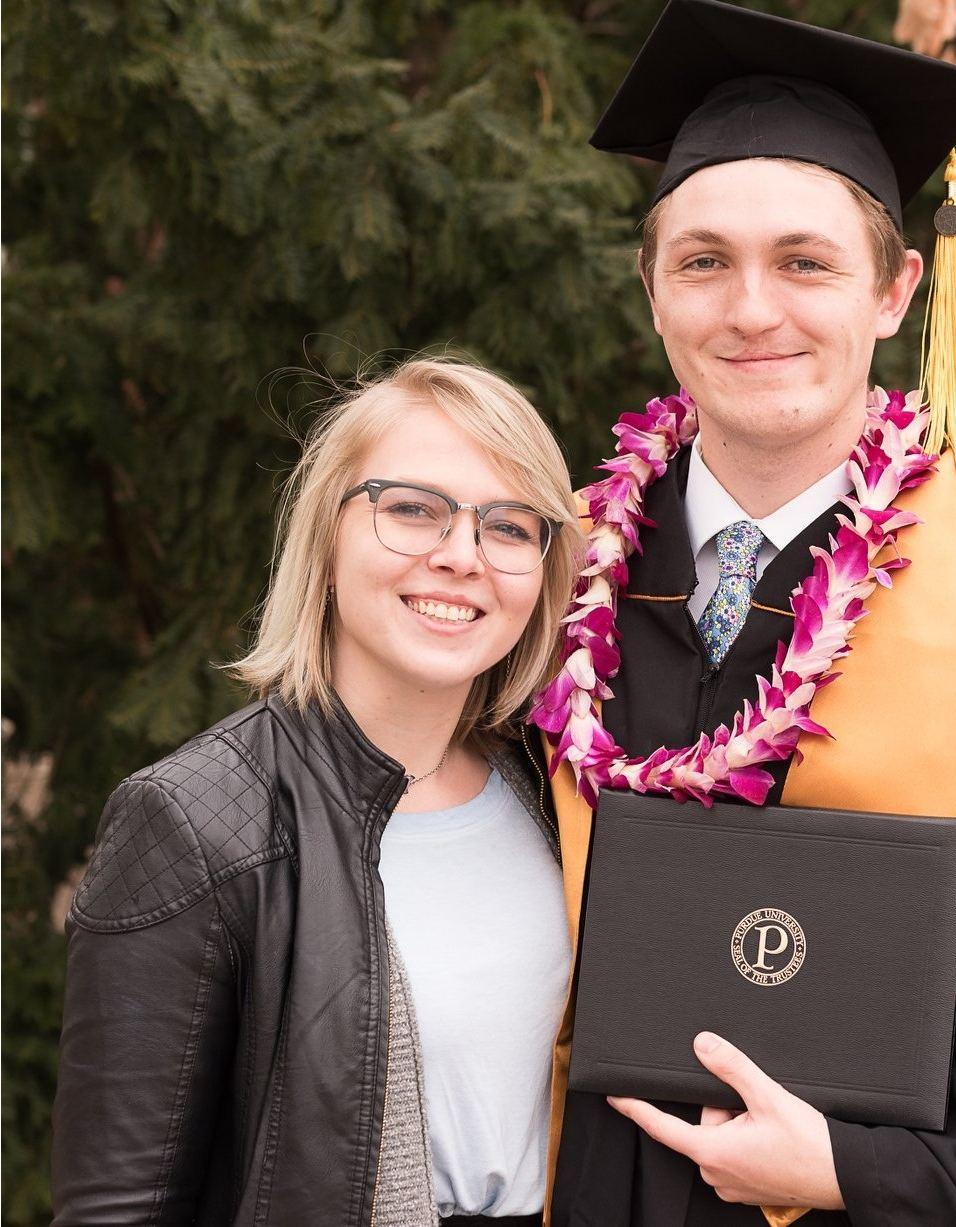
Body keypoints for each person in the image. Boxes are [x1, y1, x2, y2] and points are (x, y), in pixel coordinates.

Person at [532, 2, 956, 1225]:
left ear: (899, 290)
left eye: (805, 261)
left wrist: (858, 1172)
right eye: (704, 261)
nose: (752, 311)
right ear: (652, 290)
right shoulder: (542, 592)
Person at [51, 357, 583, 1226]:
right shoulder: (192, 819)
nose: (460, 556)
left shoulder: (554, 791)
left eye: (510, 525)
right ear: (327, 540)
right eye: (412, 508)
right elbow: (118, 1205)